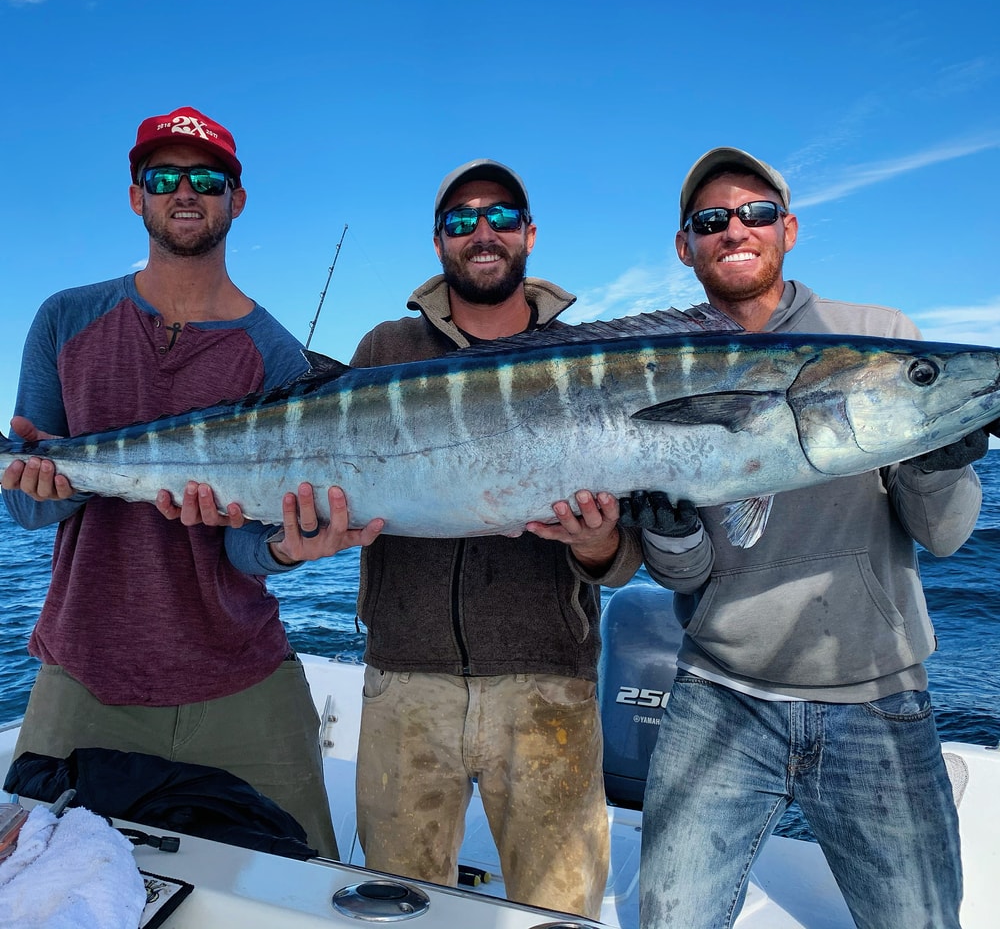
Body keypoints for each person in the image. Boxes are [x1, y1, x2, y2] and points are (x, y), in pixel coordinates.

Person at [1, 106, 383, 859]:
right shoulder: (63, 318)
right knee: (27, 876)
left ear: (235, 200)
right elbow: (25, 505)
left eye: (206, 178)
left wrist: (286, 550)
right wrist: (63, 484)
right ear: (136, 195)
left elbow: (246, 547)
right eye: (163, 176)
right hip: (82, 669)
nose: (185, 191)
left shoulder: (277, 356)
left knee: (306, 882)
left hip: (242, 672)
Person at [636, 146, 991, 929]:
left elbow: (947, 537)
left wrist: (937, 465)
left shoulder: (880, 336)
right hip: (719, 693)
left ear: (788, 229)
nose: (736, 229)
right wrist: (670, 535)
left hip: (878, 698)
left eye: (757, 213)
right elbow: (687, 572)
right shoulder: (657, 362)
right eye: (712, 219)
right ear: (686, 244)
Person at [350, 159, 642, 918]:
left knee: (561, 912)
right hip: (403, 684)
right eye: (460, 221)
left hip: (550, 687)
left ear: (529, 234)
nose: (482, 233)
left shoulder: (590, 358)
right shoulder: (385, 348)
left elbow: (622, 558)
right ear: (439, 243)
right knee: (395, 907)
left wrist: (595, 544)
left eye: (500, 217)